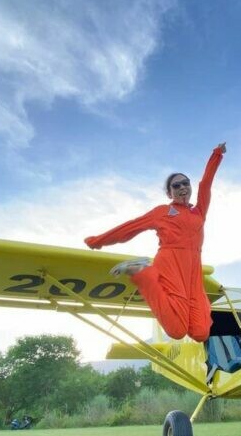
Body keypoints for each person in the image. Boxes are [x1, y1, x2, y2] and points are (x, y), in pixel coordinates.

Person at [84, 143, 226, 342]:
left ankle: (144, 273)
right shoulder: (162, 212)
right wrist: (97, 241)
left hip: (193, 270)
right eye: (176, 186)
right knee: (177, 331)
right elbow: (131, 227)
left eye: (185, 183)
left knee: (201, 333)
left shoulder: (199, 211)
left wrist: (217, 154)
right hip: (171, 263)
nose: (182, 187)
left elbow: (206, 184)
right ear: (169, 194)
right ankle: (142, 273)